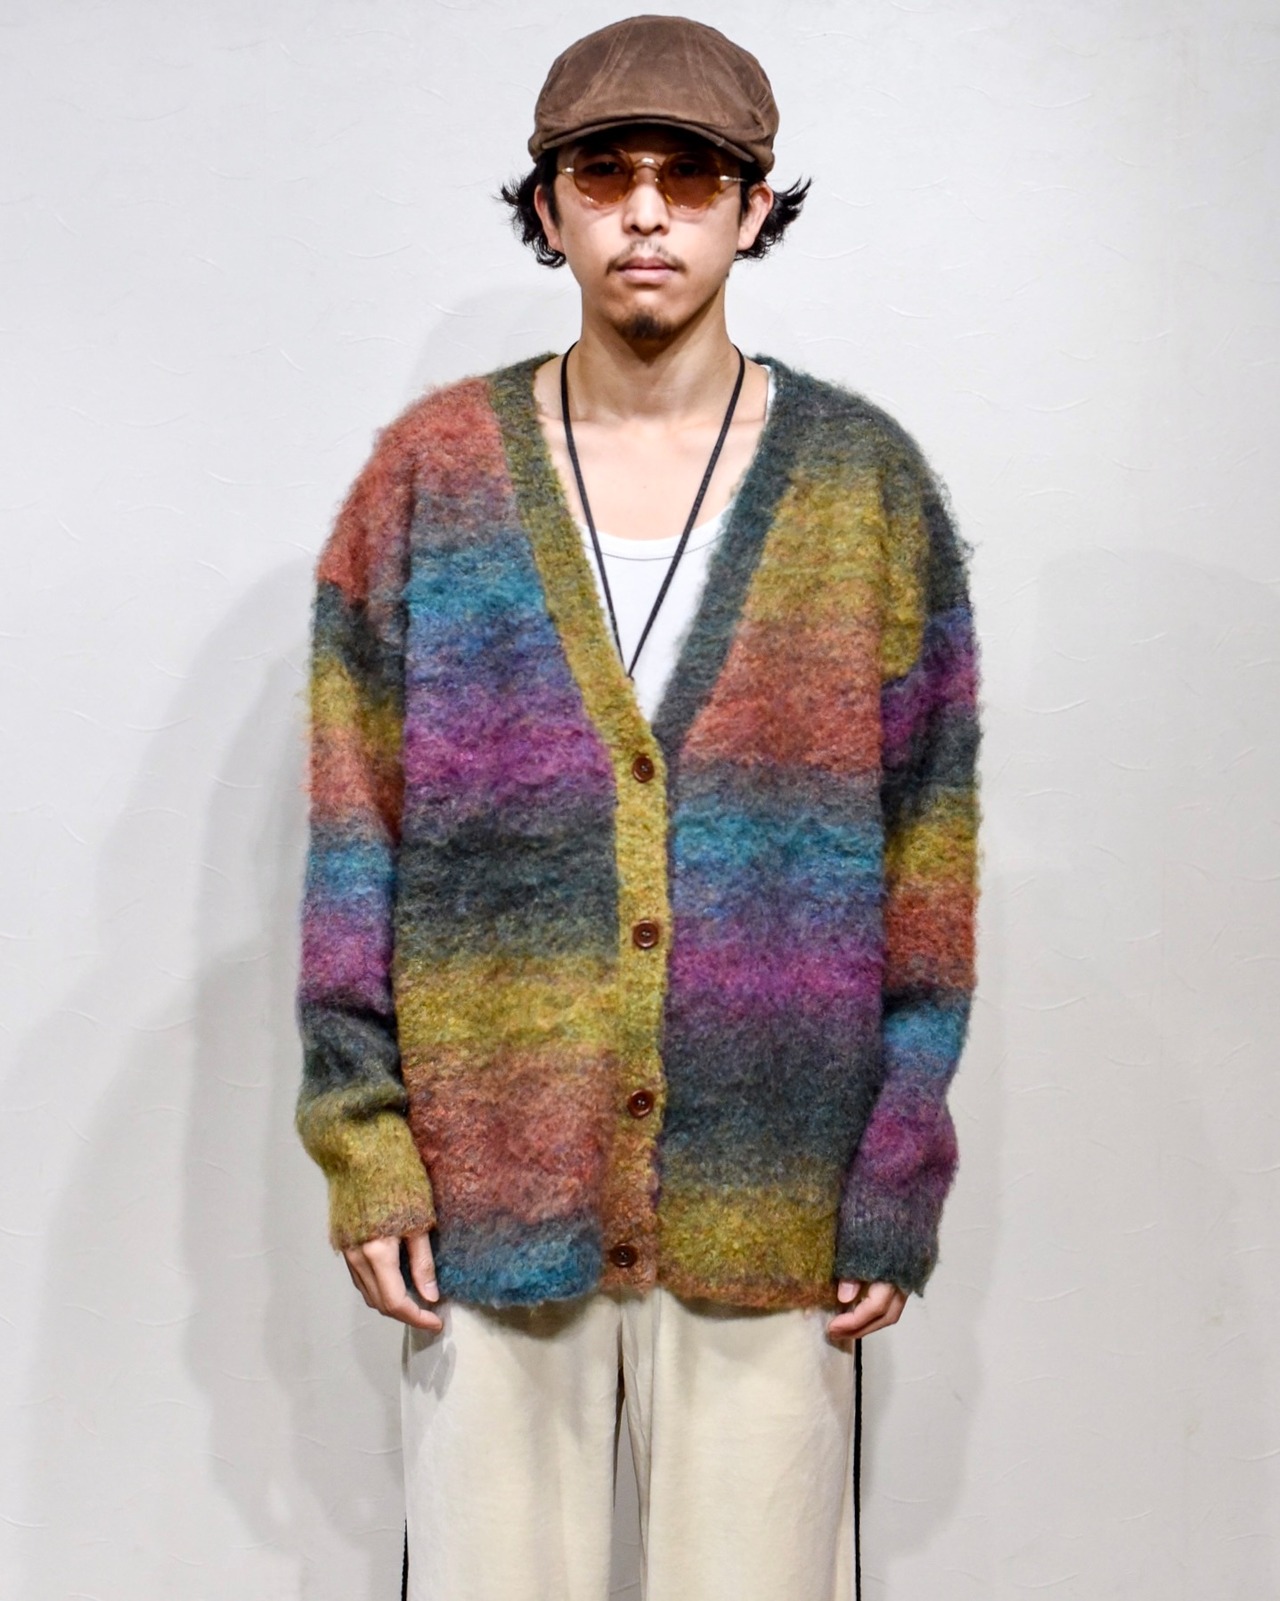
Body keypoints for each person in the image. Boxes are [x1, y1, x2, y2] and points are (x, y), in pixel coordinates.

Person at [293, 14, 981, 1600]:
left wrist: (897, 1165)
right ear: (550, 208)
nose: (649, 211)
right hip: (491, 1188)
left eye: (693, 176)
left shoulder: (863, 487)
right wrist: (365, 1144)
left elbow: (927, 861)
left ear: (754, 205)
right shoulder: (431, 480)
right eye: (606, 175)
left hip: (770, 1192)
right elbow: (351, 835)